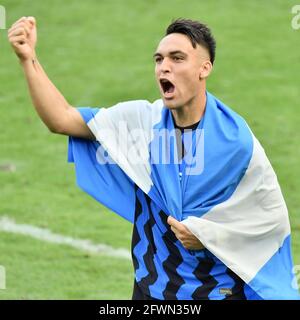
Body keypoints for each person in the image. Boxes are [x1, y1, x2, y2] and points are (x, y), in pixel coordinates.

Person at [8, 17, 299, 300]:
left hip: (217, 292)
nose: (164, 67)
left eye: (177, 58)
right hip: (151, 288)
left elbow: (265, 222)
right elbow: (63, 119)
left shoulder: (235, 143)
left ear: (204, 68)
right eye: (159, 60)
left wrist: (209, 236)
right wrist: (27, 58)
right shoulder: (142, 125)